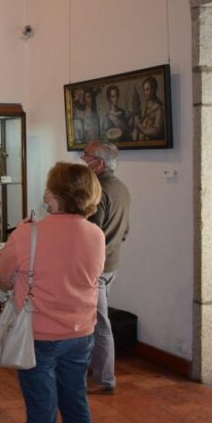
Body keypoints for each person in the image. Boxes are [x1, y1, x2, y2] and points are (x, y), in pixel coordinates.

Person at [0, 162, 104, 423]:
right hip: (81, 332)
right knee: (76, 402)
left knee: (42, 409)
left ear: (51, 195)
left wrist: (18, 236)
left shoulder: (26, 234)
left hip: (38, 334)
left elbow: (3, 276)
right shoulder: (96, 235)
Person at [82, 140, 131, 395]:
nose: (82, 159)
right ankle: (95, 368)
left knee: (100, 324)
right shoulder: (122, 188)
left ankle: (105, 379)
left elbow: (93, 234)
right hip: (112, 264)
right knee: (95, 321)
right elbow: (125, 231)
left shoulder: (99, 190)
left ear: (99, 163)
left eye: (86, 156)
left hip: (96, 268)